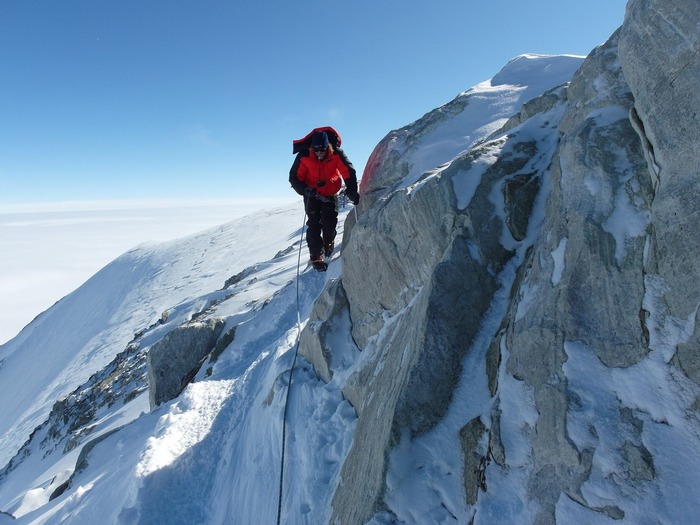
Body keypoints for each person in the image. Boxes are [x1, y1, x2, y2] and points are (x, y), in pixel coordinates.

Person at [289, 129, 359, 271]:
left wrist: (352, 190)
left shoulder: (336, 154)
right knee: (314, 225)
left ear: (328, 147)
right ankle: (316, 256)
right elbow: (294, 177)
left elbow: (348, 172)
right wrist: (304, 190)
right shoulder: (304, 156)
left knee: (329, 223)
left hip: (329, 194)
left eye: (322, 150)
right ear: (312, 148)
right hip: (311, 195)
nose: (319, 153)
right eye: (316, 150)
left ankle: (328, 242)